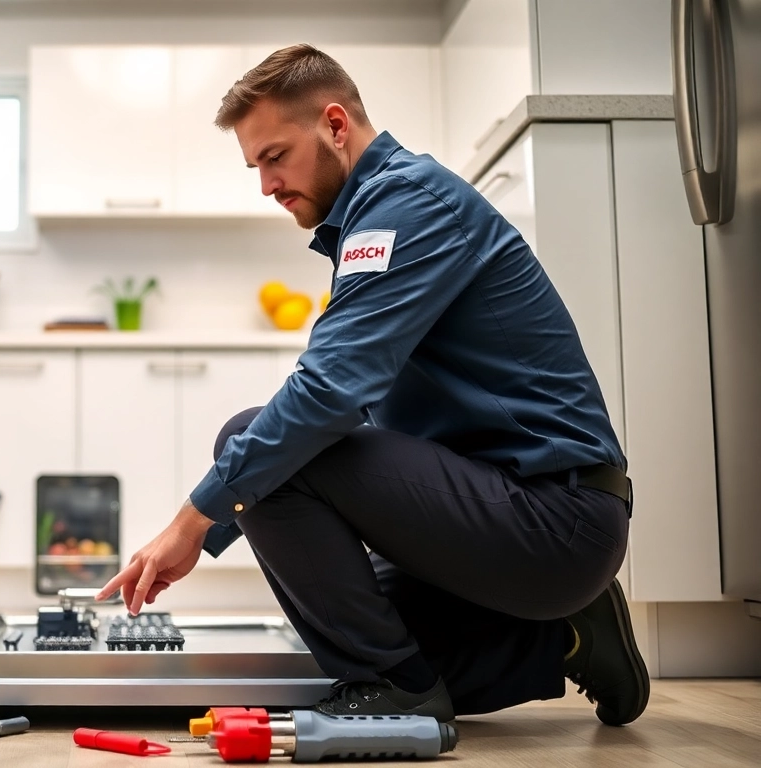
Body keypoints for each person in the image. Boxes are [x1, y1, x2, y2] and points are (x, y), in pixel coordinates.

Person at [96, 44, 648, 726]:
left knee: (254, 445)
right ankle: (566, 636)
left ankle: (400, 693)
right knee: (347, 639)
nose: (265, 185)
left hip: (551, 520)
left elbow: (326, 397)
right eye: (255, 166)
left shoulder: (403, 204)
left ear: (334, 125)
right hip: (513, 518)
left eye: (275, 157)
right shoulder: (371, 217)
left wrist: (194, 520)